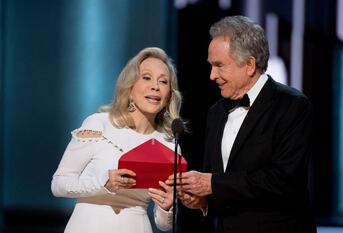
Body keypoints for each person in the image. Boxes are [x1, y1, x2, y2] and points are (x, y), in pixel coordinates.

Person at [168, 16, 316, 233]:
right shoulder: (216, 112)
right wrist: (202, 201)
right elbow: (215, 179)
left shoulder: (292, 105)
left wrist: (212, 184)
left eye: (219, 66)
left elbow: (283, 180)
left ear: (249, 65)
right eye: (211, 66)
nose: (212, 75)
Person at [51, 47, 182, 233]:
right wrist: (104, 182)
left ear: (169, 94)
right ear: (129, 87)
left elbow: (164, 224)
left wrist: (166, 207)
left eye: (163, 81)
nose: (155, 86)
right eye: (146, 77)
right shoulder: (99, 124)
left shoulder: (168, 144)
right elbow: (59, 184)